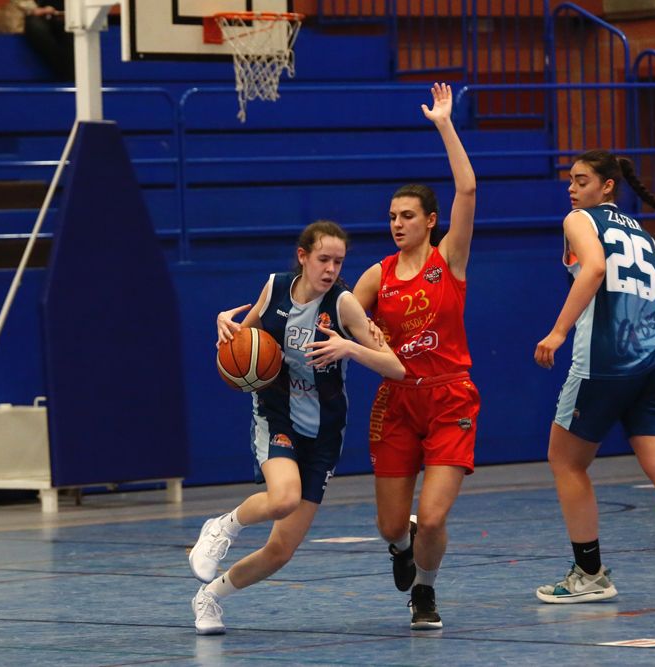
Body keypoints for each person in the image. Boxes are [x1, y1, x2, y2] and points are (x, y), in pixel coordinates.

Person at [187, 220, 405, 635]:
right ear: (303, 257)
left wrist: (350, 347)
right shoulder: (274, 288)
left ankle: (209, 597)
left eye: (338, 262)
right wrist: (224, 326)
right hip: (277, 415)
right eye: (323, 259)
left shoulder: (343, 306)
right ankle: (221, 527)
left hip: (324, 432)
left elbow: (395, 367)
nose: (330, 269)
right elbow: (244, 337)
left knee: (281, 550)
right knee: (283, 498)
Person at [533, 150, 655, 605]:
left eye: (581, 181)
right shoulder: (644, 234)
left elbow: (595, 268)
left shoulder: (580, 220)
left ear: (607, 186)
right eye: (571, 181)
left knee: (566, 460)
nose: (572, 189)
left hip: (607, 358)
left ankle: (590, 572)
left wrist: (559, 331)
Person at [352, 83, 479, 630]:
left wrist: (444, 124)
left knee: (432, 517)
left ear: (430, 220)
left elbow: (468, 189)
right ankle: (399, 547)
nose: (397, 222)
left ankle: (424, 593)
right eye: (392, 216)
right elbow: (333, 315)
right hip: (397, 402)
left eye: (407, 215)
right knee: (390, 526)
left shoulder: (449, 258)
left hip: (450, 396)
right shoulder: (376, 276)